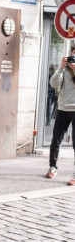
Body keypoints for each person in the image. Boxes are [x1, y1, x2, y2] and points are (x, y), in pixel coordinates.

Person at [46, 45, 75, 186]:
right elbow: (53, 84)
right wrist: (61, 68)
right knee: (56, 139)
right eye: (73, 56)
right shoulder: (64, 70)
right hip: (63, 109)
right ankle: (52, 167)